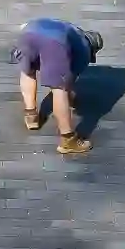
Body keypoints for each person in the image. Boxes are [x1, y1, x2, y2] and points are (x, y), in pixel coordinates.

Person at [12, 17, 104, 157]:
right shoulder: (85, 48)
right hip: (54, 41)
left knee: (28, 70)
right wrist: (70, 98)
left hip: (30, 30)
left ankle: (31, 116)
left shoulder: (74, 30)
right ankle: (68, 140)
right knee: (60, 88)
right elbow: (67, 82)